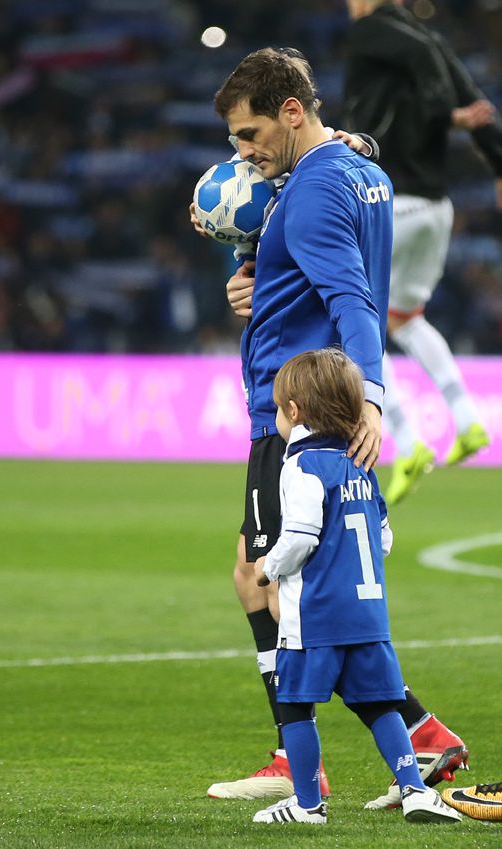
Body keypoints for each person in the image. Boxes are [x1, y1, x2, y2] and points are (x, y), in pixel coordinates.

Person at [202, 47, 468, 806]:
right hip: (314, 396)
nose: (242, 153)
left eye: (249, 134)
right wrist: (257, 285)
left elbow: (352, 298)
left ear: (291, 111)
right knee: (284, 580)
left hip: (296, 408)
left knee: (264, 578)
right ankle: (418, 736)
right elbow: (321, 271)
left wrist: (371, 398)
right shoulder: (361, 171)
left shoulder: (314, 189)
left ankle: (302, 761)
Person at [251, 348, 461, 825]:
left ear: (294, 411)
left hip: (317, 614)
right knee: (381, 702)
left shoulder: (302, 465)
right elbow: (382, 537)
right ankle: (413, 791)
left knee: (294, 705)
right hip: (368, 616)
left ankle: (307, 805)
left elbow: (301, 535)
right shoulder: (360, 464)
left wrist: (270, 568)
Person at [344, 0, 502, 504]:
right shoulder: (423, 56)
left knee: (357, 324)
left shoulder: (376, 36)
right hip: (438, 209)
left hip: (393, 202)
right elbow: (455, 84)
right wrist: (496, 158)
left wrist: (445, 114)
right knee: (405, 318)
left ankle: (407, 442)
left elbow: (429, 83)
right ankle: (467, 420)